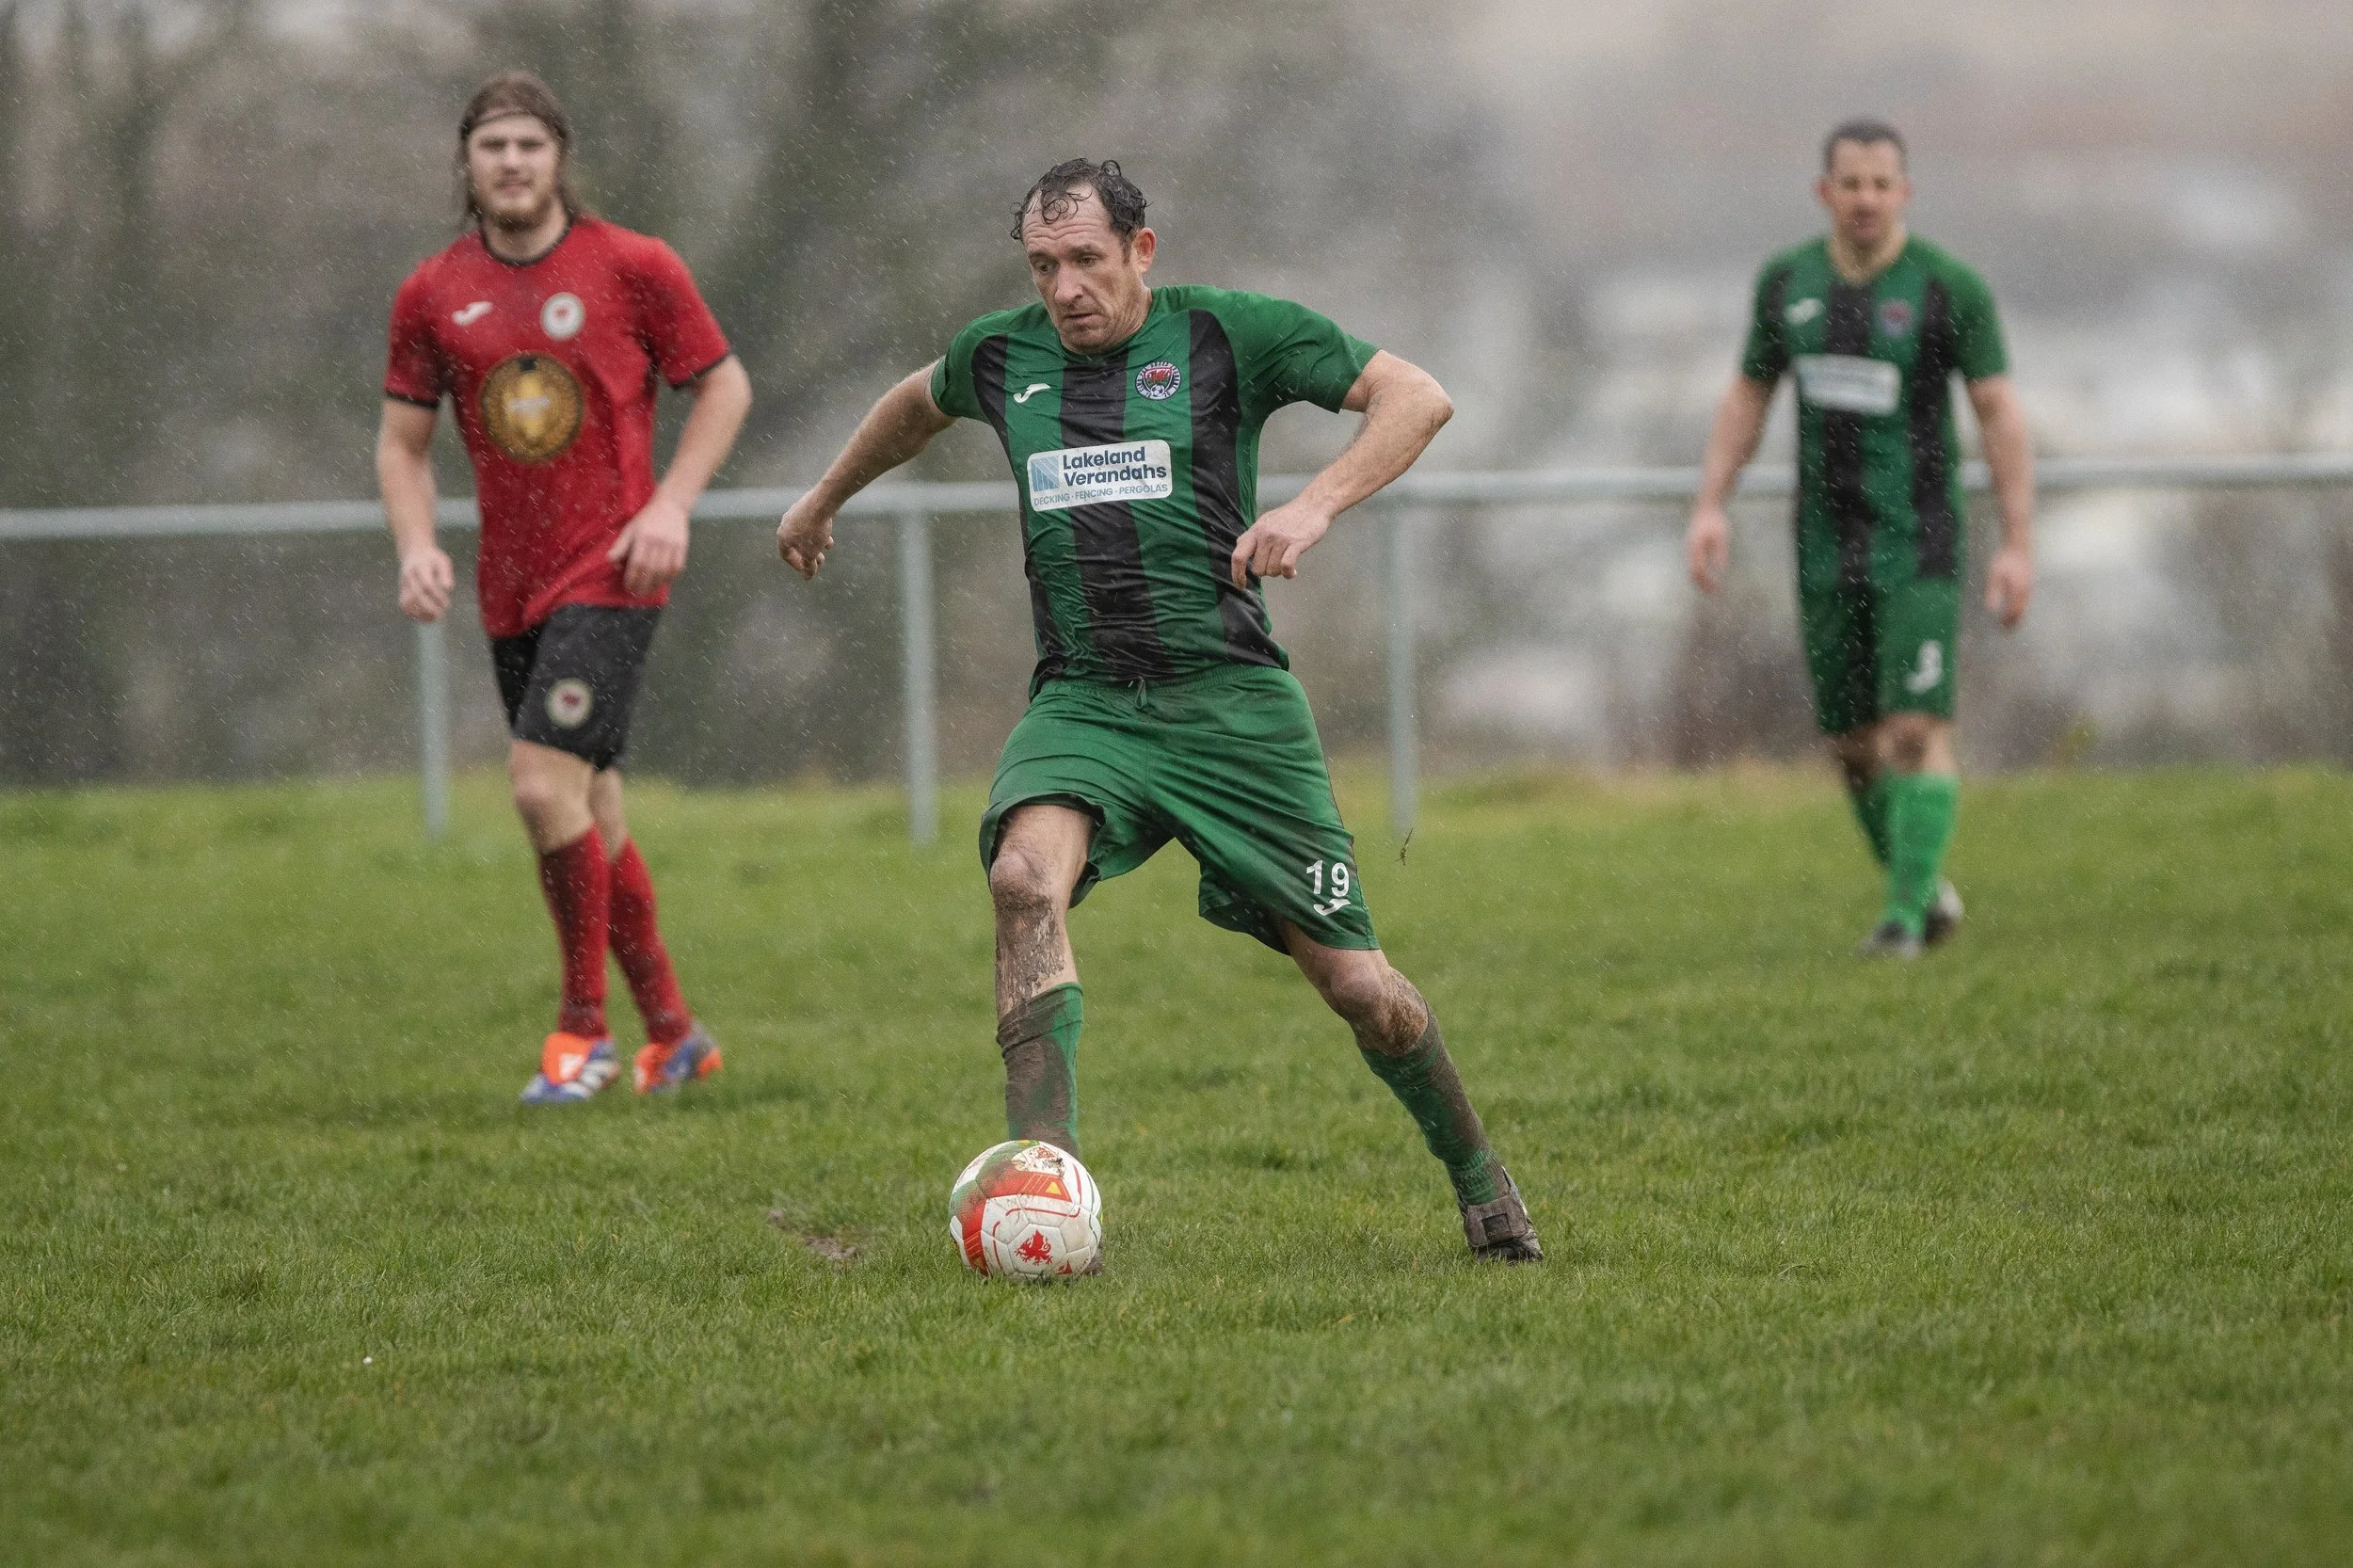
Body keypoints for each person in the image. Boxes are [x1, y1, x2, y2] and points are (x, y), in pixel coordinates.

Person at [776, 158, 1542, 1262]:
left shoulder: (1230, 335)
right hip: (1085, 700)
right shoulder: (1004, 356)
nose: (1064, 287)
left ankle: (1478, 1178)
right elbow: (912, 407)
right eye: (1043, 266)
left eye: (1085, 259)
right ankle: (1042, 1186)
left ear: (1141, 250)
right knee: (1020, 881)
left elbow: (1417, 395)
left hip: (1231, 708)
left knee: (1358, 987)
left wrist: (1315, 503)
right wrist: (820, 496)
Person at [376, 72, 752, 1100]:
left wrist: (671, 504)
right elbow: (402, 445)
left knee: (540, 785)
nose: (510, 162)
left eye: (528, 146)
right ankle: (674, 1034)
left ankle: (580, 1035)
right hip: (511, 588)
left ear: (558, 159)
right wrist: (417, 545)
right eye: (492, 145)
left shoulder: (631, 265)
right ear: (467, 161)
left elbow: (722, 382)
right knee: (593, 806)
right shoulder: (431, 291)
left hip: (616, 570)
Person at [1685, 120, 2035, 958]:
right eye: (1852, 183)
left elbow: (1997, 411)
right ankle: (1925, 889)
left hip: (1919, 543)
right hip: (1823, 542)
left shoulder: (1949, 287)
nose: (1867, 198)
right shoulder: (1788, 283)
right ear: (1825, 192)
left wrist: (2018, 540)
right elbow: (1747, 397)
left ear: (1904, 192)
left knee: (1913, 729)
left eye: (1883, 184)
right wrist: (1709, 504)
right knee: (1850, 744)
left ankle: (1904, 920)